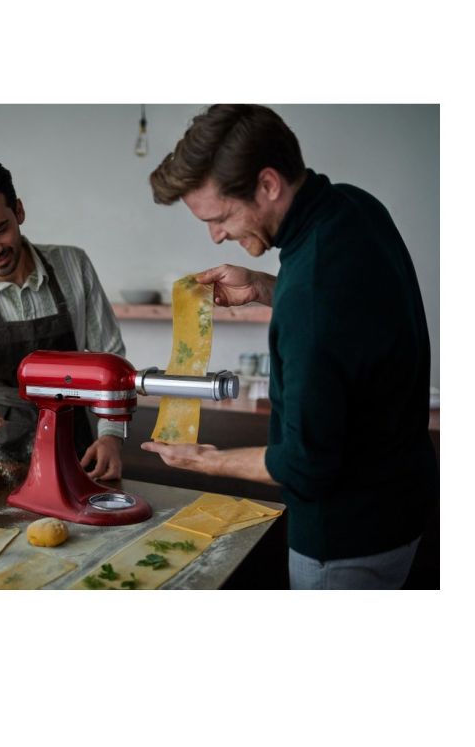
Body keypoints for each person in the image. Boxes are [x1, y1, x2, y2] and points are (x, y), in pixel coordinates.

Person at [141, 104, 437, 590]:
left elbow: (305, 466)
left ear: (268, 184)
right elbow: (348, 311)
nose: (217, 236)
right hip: (401, 502)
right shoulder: (354, 206)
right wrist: (266, 287)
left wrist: (205, 461)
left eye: (221, 217)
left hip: (343, 540)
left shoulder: (310, 295)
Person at [0, 156, 126, 480]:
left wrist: (112, 435)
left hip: (79, 446)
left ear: (18, 211)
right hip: (1, 455)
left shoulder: (73, 265)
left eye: (0, 230)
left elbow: (112, 359)